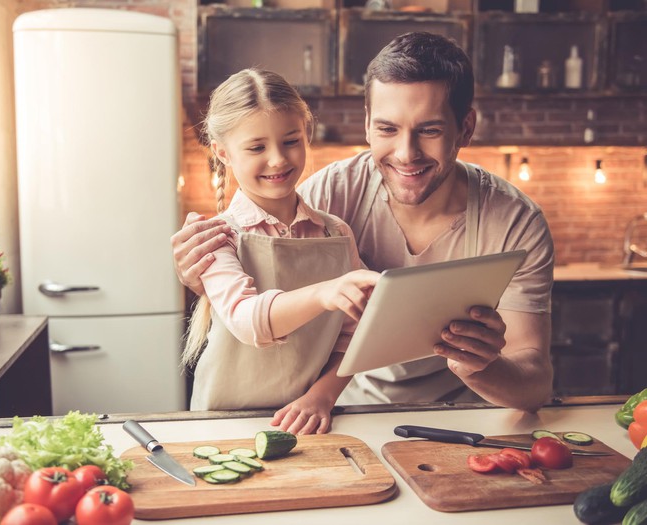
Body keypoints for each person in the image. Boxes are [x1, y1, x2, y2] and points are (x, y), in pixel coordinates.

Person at [172, 32, 555, 413]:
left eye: (430, 130)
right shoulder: (330, 193)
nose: (407, 154)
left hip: (464, 415)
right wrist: (200, 276)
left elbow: (534, 384)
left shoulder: (515, 222)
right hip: (349, 414)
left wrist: (480, 369)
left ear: (466, 129)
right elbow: (260, 298)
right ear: (368, 123)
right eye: (388, 129)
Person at [182, 68, 380, 435]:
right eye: (257, 147)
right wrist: (325, 292)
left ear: (306, 135)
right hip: (220, 423)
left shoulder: (336, 232)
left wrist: (322, 396)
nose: (278, 160)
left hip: (308, 421)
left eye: (290, 141)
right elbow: (245, 319)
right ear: (222, 153)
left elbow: (359, 334)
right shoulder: (217, 236)